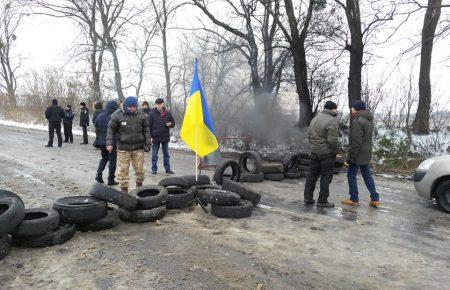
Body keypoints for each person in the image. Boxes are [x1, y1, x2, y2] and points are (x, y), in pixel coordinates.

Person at [106, 96, 151, 193]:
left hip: (138, 148)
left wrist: (148, 142)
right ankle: (124, 192)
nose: (132, 108)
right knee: (123, 171)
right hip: (123, 148)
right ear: (125, 106)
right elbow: (110, 129)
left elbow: (146, 129)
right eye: (130, 107)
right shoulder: (117, 115)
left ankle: (139, 190)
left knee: (140, 170)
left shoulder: (141, 115)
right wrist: (109, 143)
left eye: (134, 106)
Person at [342, 100, 380, 207]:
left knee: (351, 175)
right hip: (367, 151)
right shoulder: (369, 120)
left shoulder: (357, 121)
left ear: (357, 109)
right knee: (367, 175)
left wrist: (351, 156)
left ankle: (354, 199)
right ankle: (375, 199)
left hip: (358, 152)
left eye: (352, 107)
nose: (351, 109)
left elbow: (356, 141)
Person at [303, 101, 340, 207]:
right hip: (326, 153)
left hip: (314, 152)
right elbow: (332, 140)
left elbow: (309, 136)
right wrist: (335, 151)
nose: (336, 111)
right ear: (332, 109)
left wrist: (314, 146)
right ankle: (322, 201)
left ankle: (308, 198)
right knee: (325, 177)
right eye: (336, 109)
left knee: (312, 176)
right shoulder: (332, 121)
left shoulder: (315, 119)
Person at [95, 100, 119, 186]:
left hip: (101, 141)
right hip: (112, 142)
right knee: (112, 161)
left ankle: (98, 175)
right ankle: (111, 179)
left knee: (104, 158)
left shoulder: (100, 116)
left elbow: (96, 127)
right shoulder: (114, 116)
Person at [148, 98, 175, 175]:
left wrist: (171, 124)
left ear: (163, 104)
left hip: (165, 137)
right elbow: (148, 126)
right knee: (154, 155)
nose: (158, 105)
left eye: (160, 104)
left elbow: (173, 123)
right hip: (155, 137)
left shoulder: (168, 113)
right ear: (155, 105)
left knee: (166, 154)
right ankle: (154, 169)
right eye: (157, 104)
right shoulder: (151, 113)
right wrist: (150, 136)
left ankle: (167, 169)